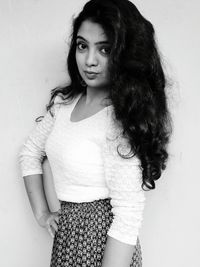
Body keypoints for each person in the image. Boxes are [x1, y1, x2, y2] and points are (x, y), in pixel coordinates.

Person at [19, 0, 171, 266]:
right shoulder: (63, 105)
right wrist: (42, 214)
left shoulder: (120, 120)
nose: (90, 61)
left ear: (124, 54)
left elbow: (128, 214)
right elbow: (30, 153)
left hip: (106, 245)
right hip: (68, 240)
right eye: (82, 46)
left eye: (105, 49)